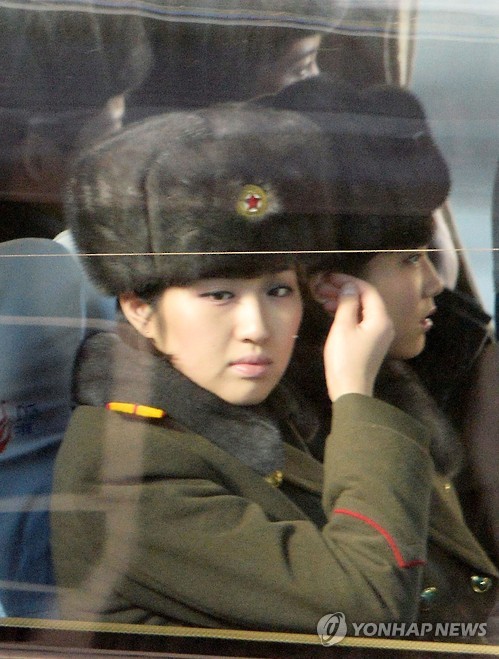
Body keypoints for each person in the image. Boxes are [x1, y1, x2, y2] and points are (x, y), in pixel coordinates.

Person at [50, 99, 497, 638]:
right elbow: (366, 605)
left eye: (278, 291)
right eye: (219, 295)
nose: (257, 327)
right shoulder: (124, 474)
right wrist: (355, 393)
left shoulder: (278, 404)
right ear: (140, 310)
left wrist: (349, 360)